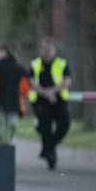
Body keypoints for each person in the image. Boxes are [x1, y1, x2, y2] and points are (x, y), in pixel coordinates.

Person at [30, 37, 71, 169]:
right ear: (40, 50)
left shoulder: (62, 63)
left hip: (58, 100)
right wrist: (46, 94)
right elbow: (31, 83)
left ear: (54, 50)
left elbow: (67, 81)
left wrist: (53, 92)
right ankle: (51, 157)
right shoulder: (35, 64)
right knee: (45, 129)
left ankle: (48, 148)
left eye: (49, 49)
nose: (47, 52)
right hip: (40, 101)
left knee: (65, 123)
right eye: (44, 49)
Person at [0, 43, 31, 145]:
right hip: (15, 105)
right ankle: (6, 153)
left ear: (4, 52)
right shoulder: (20, 69)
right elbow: (25, 90)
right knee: (10, 130)